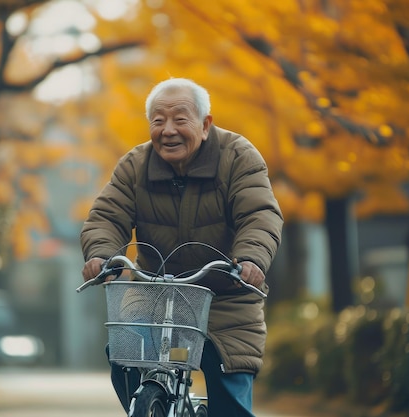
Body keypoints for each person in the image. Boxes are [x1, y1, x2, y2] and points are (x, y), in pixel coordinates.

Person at [80, 77, 283, 417]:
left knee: (230, 390)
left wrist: (250, 259)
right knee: (124, 355)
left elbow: (259, 214)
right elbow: (106, 216)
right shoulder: (135, 165)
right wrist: (101, 254)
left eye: (179, 119)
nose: (168, 130)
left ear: (205, 125)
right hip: (156, 293)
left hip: (225, 293)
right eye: (158, 121)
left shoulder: (238, 157)